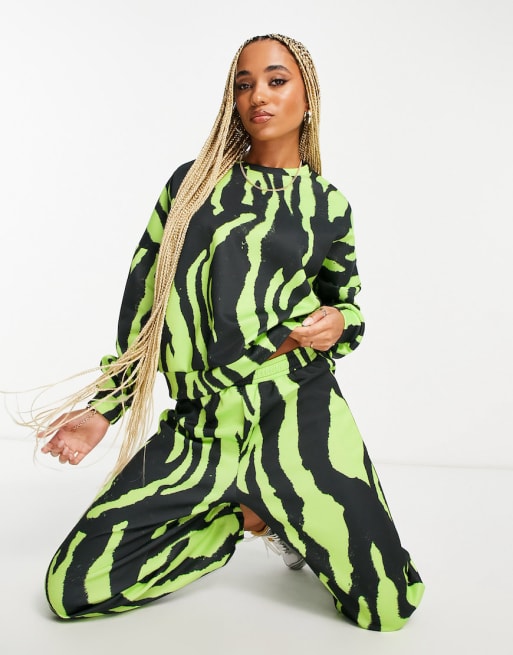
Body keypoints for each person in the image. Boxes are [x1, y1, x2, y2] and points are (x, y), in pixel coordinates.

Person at [37, 34, 424, 631]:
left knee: (389, 608)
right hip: (203, 424)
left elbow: (345, 304)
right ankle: (249, 517)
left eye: (276, 80)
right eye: (244, 85)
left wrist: (339, 322)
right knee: (72, 588)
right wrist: (105, 409)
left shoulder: (328, 205)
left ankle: (283, 506)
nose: (257, 96)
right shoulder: (192, 186)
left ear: (308, 97)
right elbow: (143, 305)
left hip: (299, 410)